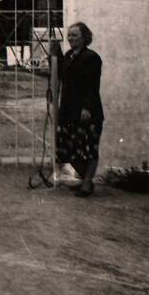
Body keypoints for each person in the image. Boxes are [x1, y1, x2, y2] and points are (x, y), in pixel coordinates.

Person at [50, 22, 103, 197]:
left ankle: (87, 183)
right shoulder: (68, 56)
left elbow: (92, 85)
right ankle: (84, 179)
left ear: (85, 37)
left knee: (88, 148)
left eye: (75, 35)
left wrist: (87, 108)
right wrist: (54, 53)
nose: (71, 38)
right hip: (68, 111)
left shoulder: (91, 57)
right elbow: (59, 74)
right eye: (70, 35)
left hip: (87, 111)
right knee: (69, 148)